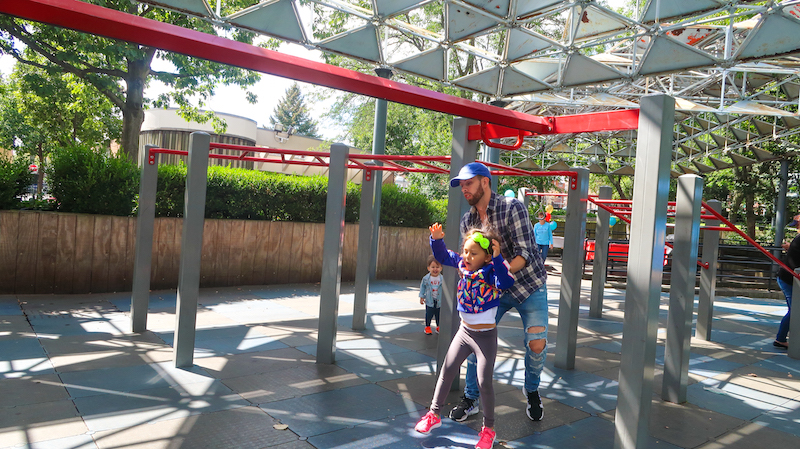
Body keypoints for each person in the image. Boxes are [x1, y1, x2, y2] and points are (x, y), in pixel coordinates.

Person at [448, 162, 549, 423]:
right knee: (474, 337)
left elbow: (525, 253)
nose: (464, 189)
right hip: (492, 289)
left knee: (536, 342)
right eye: (461, 185)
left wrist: (494, 276)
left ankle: (532, 389)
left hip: (528, 284)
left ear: (484, 182)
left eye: (468, 183)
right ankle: (471, 398)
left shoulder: (511, 207)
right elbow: (469, 261)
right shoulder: (468, 220)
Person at [414, 223, 514, 449]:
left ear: (487, 257)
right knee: (447, 370)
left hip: (485, 337)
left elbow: (507, 281)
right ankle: (433, 414)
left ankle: (488, 430)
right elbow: (442, 255)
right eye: (466, 250)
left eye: (473, 253)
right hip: (464, 332)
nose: (467, 256)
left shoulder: (492, 272)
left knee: (483, 382)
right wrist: (436, 239)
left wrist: (497, 258)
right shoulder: (462, 264)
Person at [774, 214, 800, 349]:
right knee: (795, 310)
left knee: (795, 309)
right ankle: (780, 339)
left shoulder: (798, 239)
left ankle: (781, 338)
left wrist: (790, 247)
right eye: (796, 226)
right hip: (788, 278)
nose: (796, 229)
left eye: (797, 226)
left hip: (788, 277)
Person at [419, 255, 442, 335]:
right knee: (429, 314)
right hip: (429, 300)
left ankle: (438, 326)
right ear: (428, 268)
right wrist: (422, 296)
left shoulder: (442, 279)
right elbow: (422, 287)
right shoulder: (426, 279)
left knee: (438, 314)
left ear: (441, 268)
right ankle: (427, 327)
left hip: (439, 301)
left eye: (437, 267)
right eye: (433, 267)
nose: (435, 269)